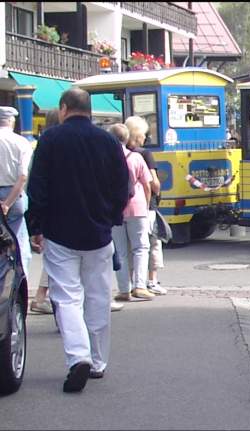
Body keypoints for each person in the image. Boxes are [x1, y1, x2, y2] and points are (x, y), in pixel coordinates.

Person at [27, 87, 131, 391]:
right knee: (98, 296)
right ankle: (98, 361)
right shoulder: (108, 141)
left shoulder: (50, 140)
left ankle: (78, 356)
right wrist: (112, 217)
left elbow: (38, 186)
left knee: (67, 297)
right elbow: (122, 185)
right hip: (99, 233)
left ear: (63, 109)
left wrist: (36, 226)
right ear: (89, 110)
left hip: (60, 231)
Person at [125, 117, 166, 296]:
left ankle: (128, 283)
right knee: (150, 244)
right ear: (138, 134)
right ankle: (151, 281)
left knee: (127, 248)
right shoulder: (145, 154)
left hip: (122, 207)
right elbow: (153, 184)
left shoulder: (120, 152)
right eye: (144, 133)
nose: (146, 137)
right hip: (144, 207)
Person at [118, 117, 158, 300]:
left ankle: (123, 290)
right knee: (141, 247)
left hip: (116, 210)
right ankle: (140, 286)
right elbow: (149, 185)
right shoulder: (137, 158)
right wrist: (147, 204)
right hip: (137, 208)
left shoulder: (108, 158)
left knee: (121, 251)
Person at [29, 110, 61, 314]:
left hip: (46, 210)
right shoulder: (54, 146)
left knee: (54, 257)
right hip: (57, 212)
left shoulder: (42, 144)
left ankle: (41, 297)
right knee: (57, 258)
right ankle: (41, 297)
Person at [0, 106, 33, 293]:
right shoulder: (21, 142)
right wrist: (8, 203)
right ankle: (20, 289)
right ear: (12, 121)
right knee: (19, 242)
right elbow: (23, 176)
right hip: (14, 194)